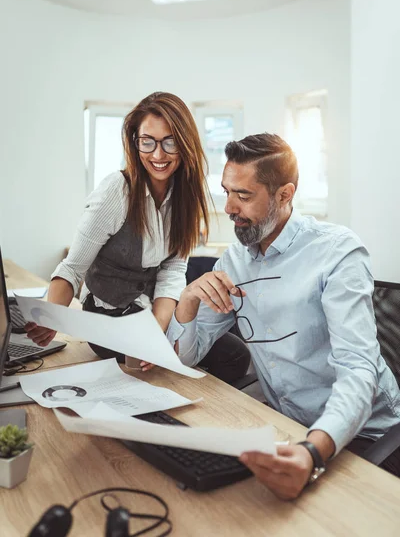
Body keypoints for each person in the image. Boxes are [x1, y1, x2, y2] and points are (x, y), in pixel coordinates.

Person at [167, 132, 400, 499]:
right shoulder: (234, 260)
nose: (229, 207)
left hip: (364, 435)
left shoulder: (337, 253)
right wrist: (187, 301)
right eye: (226, 191)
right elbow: (185, 358)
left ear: (284, 194)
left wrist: (313, 450)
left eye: (243, 195)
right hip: (288, 426)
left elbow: (359, 371)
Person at [24, 91, 250, 380]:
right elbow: (73, 267)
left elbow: (172, 270)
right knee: (161, 368)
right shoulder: (116, 192)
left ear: (185, 143)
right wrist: (52, 317)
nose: (158, 155)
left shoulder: (186, 198)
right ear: (135, 142)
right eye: (148, 142)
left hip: (154, 311)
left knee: (235, 355)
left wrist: (156, 330)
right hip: (108, 317)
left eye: (170, 142)